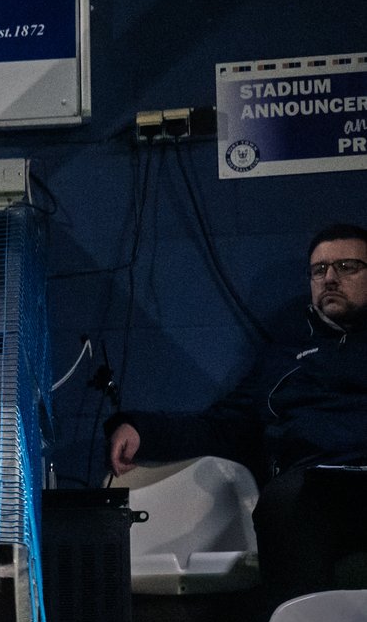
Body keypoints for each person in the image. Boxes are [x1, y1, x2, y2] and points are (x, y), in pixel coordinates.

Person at [109, 224, 367, 603]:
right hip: (312, 487)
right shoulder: (284, 360)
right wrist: (141, 429)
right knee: (284, 500)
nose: (329, 279)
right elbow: (223, 426)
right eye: (318, 270)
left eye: (347, 266)